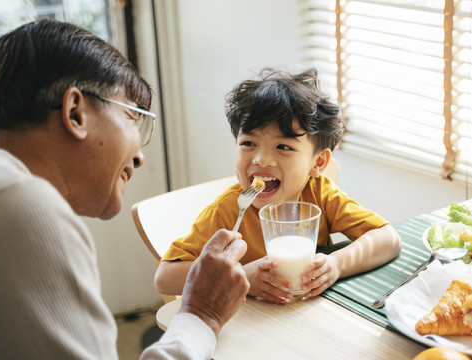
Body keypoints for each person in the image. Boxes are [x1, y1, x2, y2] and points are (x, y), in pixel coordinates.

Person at [0, 19, 249, 360]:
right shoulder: (20, 205)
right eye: (132, 118)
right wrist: (203, 313)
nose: (140, 157)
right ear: (75, 113)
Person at [155, 68, 402, 304]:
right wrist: (241, 275)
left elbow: (388, 239)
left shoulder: (319, 194)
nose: (261, 159)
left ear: (317, 162)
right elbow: (165, 278)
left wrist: (337, 264)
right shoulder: (229, 210)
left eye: (283, 147)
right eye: (248, 143)